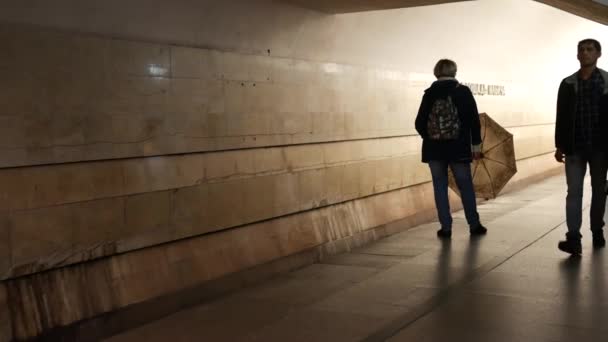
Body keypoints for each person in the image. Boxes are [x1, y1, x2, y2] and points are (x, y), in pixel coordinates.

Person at [415, 59, 487, 239]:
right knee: (465, 186)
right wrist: (475, 146)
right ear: (454, 72)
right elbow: (473, 122)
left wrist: (431, 137)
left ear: (436, 72)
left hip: (434, 151)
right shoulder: (462, 92)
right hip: (458, 149)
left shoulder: (429, 93)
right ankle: (474, 224)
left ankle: (445, 228)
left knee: (439, 186)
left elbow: (419, 123)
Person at [555, 38, 608, 255]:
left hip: (600, 147)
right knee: (573, 193)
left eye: (589, 49)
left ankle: (597, 230)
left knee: (599, 191)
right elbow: (561, 117)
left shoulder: (606, 82)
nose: (585, 53)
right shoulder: (567, 83)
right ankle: (574, 238)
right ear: (577, 55)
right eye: (581, 50)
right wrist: (559, 145)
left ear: (598, 54)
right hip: (575, 147)